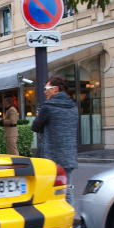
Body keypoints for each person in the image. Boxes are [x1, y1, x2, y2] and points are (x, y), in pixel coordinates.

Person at [31, 76, 78, 204]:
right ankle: (70, 217)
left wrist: (39, 115)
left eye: (47, 88)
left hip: (51, 158)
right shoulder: (73, 106)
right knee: (66, 190)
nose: (45, 91)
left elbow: (35, 127)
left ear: (55, 89)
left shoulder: (48, 106)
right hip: (69, 156)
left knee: (49, 191)